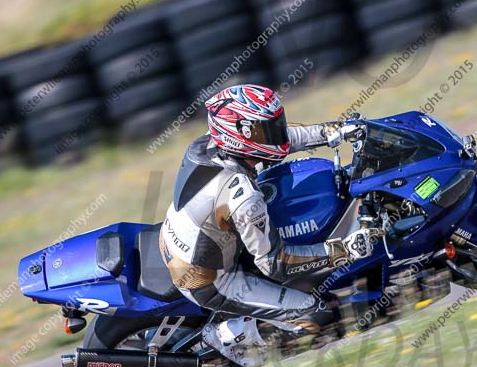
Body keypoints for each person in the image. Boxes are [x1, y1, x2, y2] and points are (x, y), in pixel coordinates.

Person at [159, 84, 379, 335]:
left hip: (189, 236)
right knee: (317, 314)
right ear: (238, 134)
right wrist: (344, 249)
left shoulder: (206, 145)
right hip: (211, 279)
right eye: (266, 129)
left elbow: (281, 140)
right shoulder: (242, 197)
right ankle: (217, 339)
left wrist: (334, 131)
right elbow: (275, 264)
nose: (275, 133)